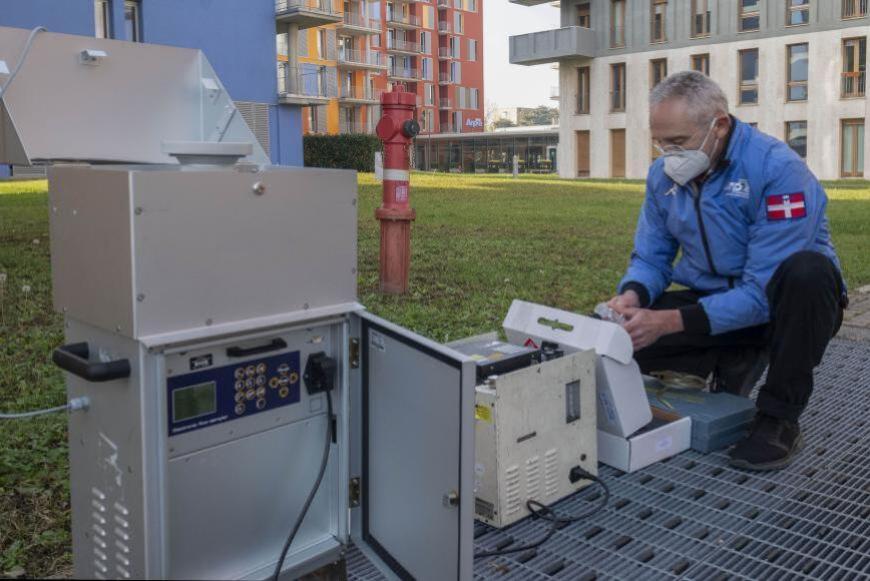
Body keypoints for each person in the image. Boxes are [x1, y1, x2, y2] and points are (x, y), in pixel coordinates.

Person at [607, 71, 847, 471]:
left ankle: (778, 417)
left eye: (679, 142)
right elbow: (651, 257)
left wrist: (668, 322)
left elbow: (760, 292)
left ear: (719, 125)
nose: (668, 154)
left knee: (810, 273)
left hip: (783, 306)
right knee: (616, 342)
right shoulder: (661, 177)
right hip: (712, 301)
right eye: (660, 142)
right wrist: (633, 296)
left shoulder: (778, 170)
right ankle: (734, 352)